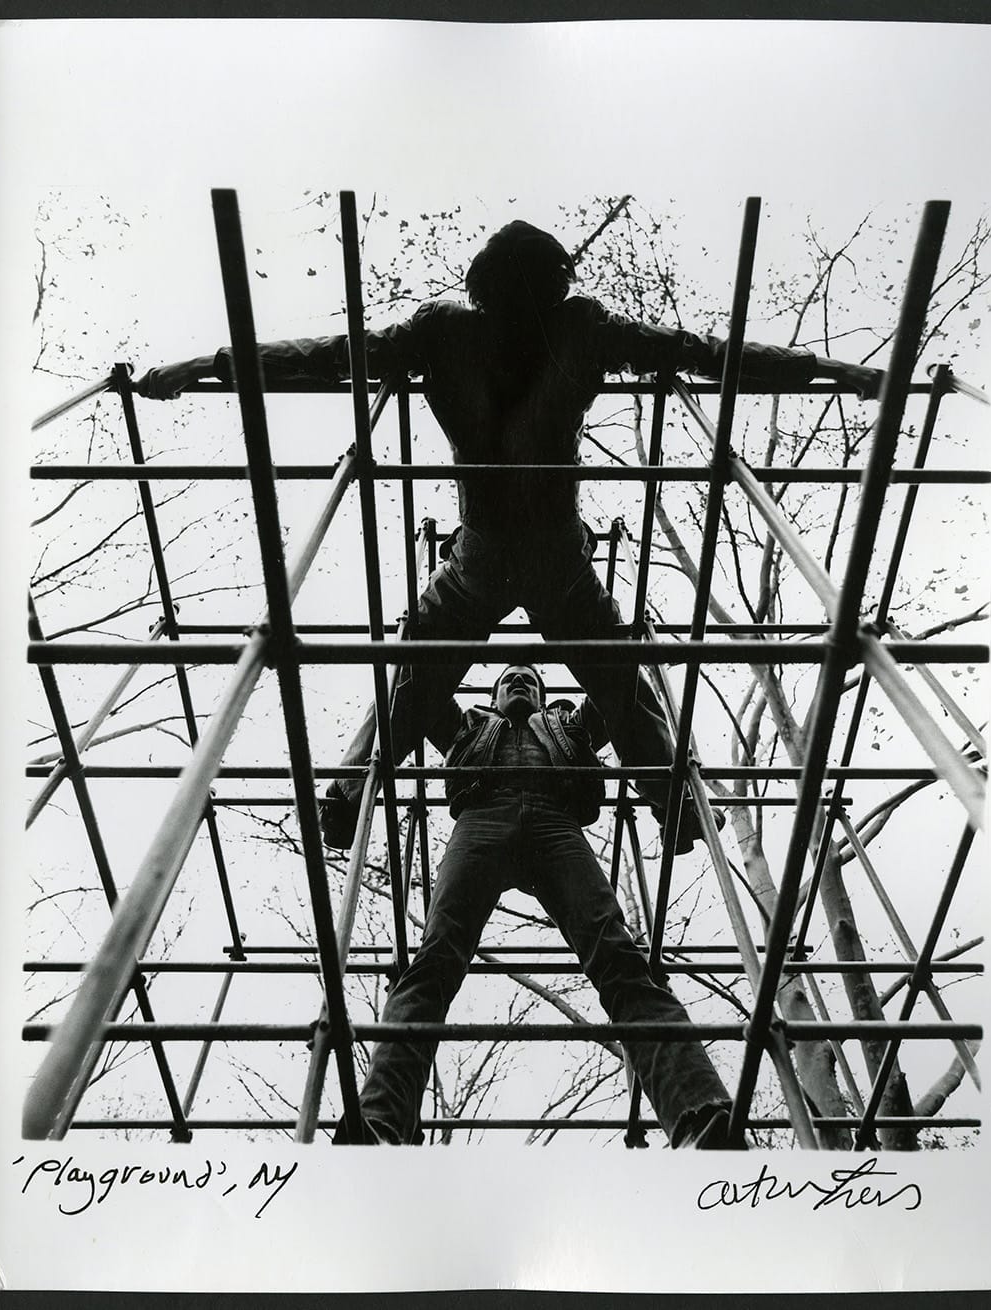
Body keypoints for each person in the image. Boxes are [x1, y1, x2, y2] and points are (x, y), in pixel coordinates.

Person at [135, 220, 883, 849]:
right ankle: (674, 799)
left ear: (482, 286)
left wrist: (207, 366)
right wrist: (827, 369)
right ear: (553, 282)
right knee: (613, 678)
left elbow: (329, 356)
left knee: (418, 678)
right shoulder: (574, 326)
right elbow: (699, 353)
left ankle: (348, 792)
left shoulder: (448, 332)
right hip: (545, 550)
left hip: (488, 549)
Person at [329, 663, 744, 1147]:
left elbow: (616, 687)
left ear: (545, 698)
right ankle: (378, 1123)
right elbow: (417, 684)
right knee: (434, 960)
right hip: (481, 817)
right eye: (508, 678)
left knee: (618, 956)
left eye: (530, 678)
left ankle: (700, 1116)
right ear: (493, 698)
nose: (519, 681)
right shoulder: (469, 724)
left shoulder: (569, 723)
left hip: (556, 821)